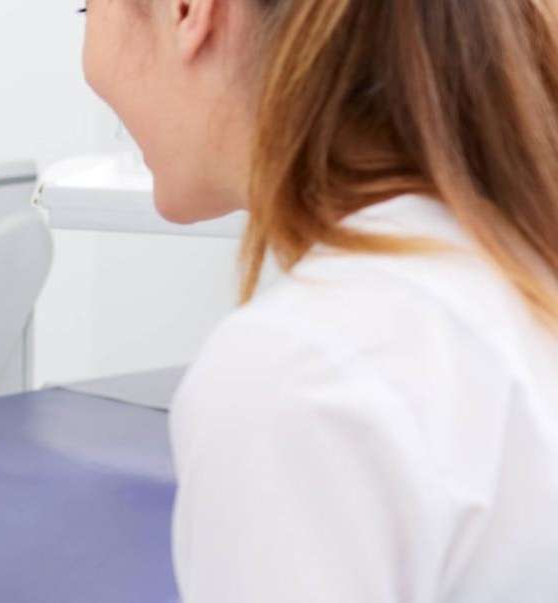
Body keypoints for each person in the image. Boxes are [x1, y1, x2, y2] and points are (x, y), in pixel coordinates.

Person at [81, 0, 558, 599]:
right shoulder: (514, 273)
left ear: (188, 12)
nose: (88, 64)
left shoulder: (301, 367)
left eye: (85, 8)